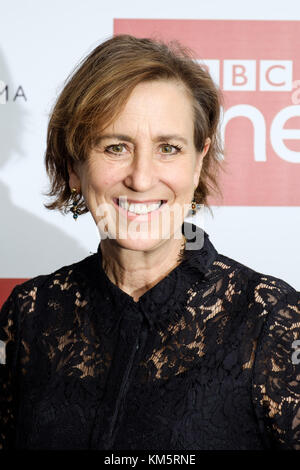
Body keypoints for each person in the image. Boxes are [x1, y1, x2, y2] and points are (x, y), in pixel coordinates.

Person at [0, 34, 299, 451]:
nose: (141, 178)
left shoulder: (271, 320)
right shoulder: (29, 314)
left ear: (199, 163)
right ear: (73, 167)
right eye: (116, 147)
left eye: (168, 148)